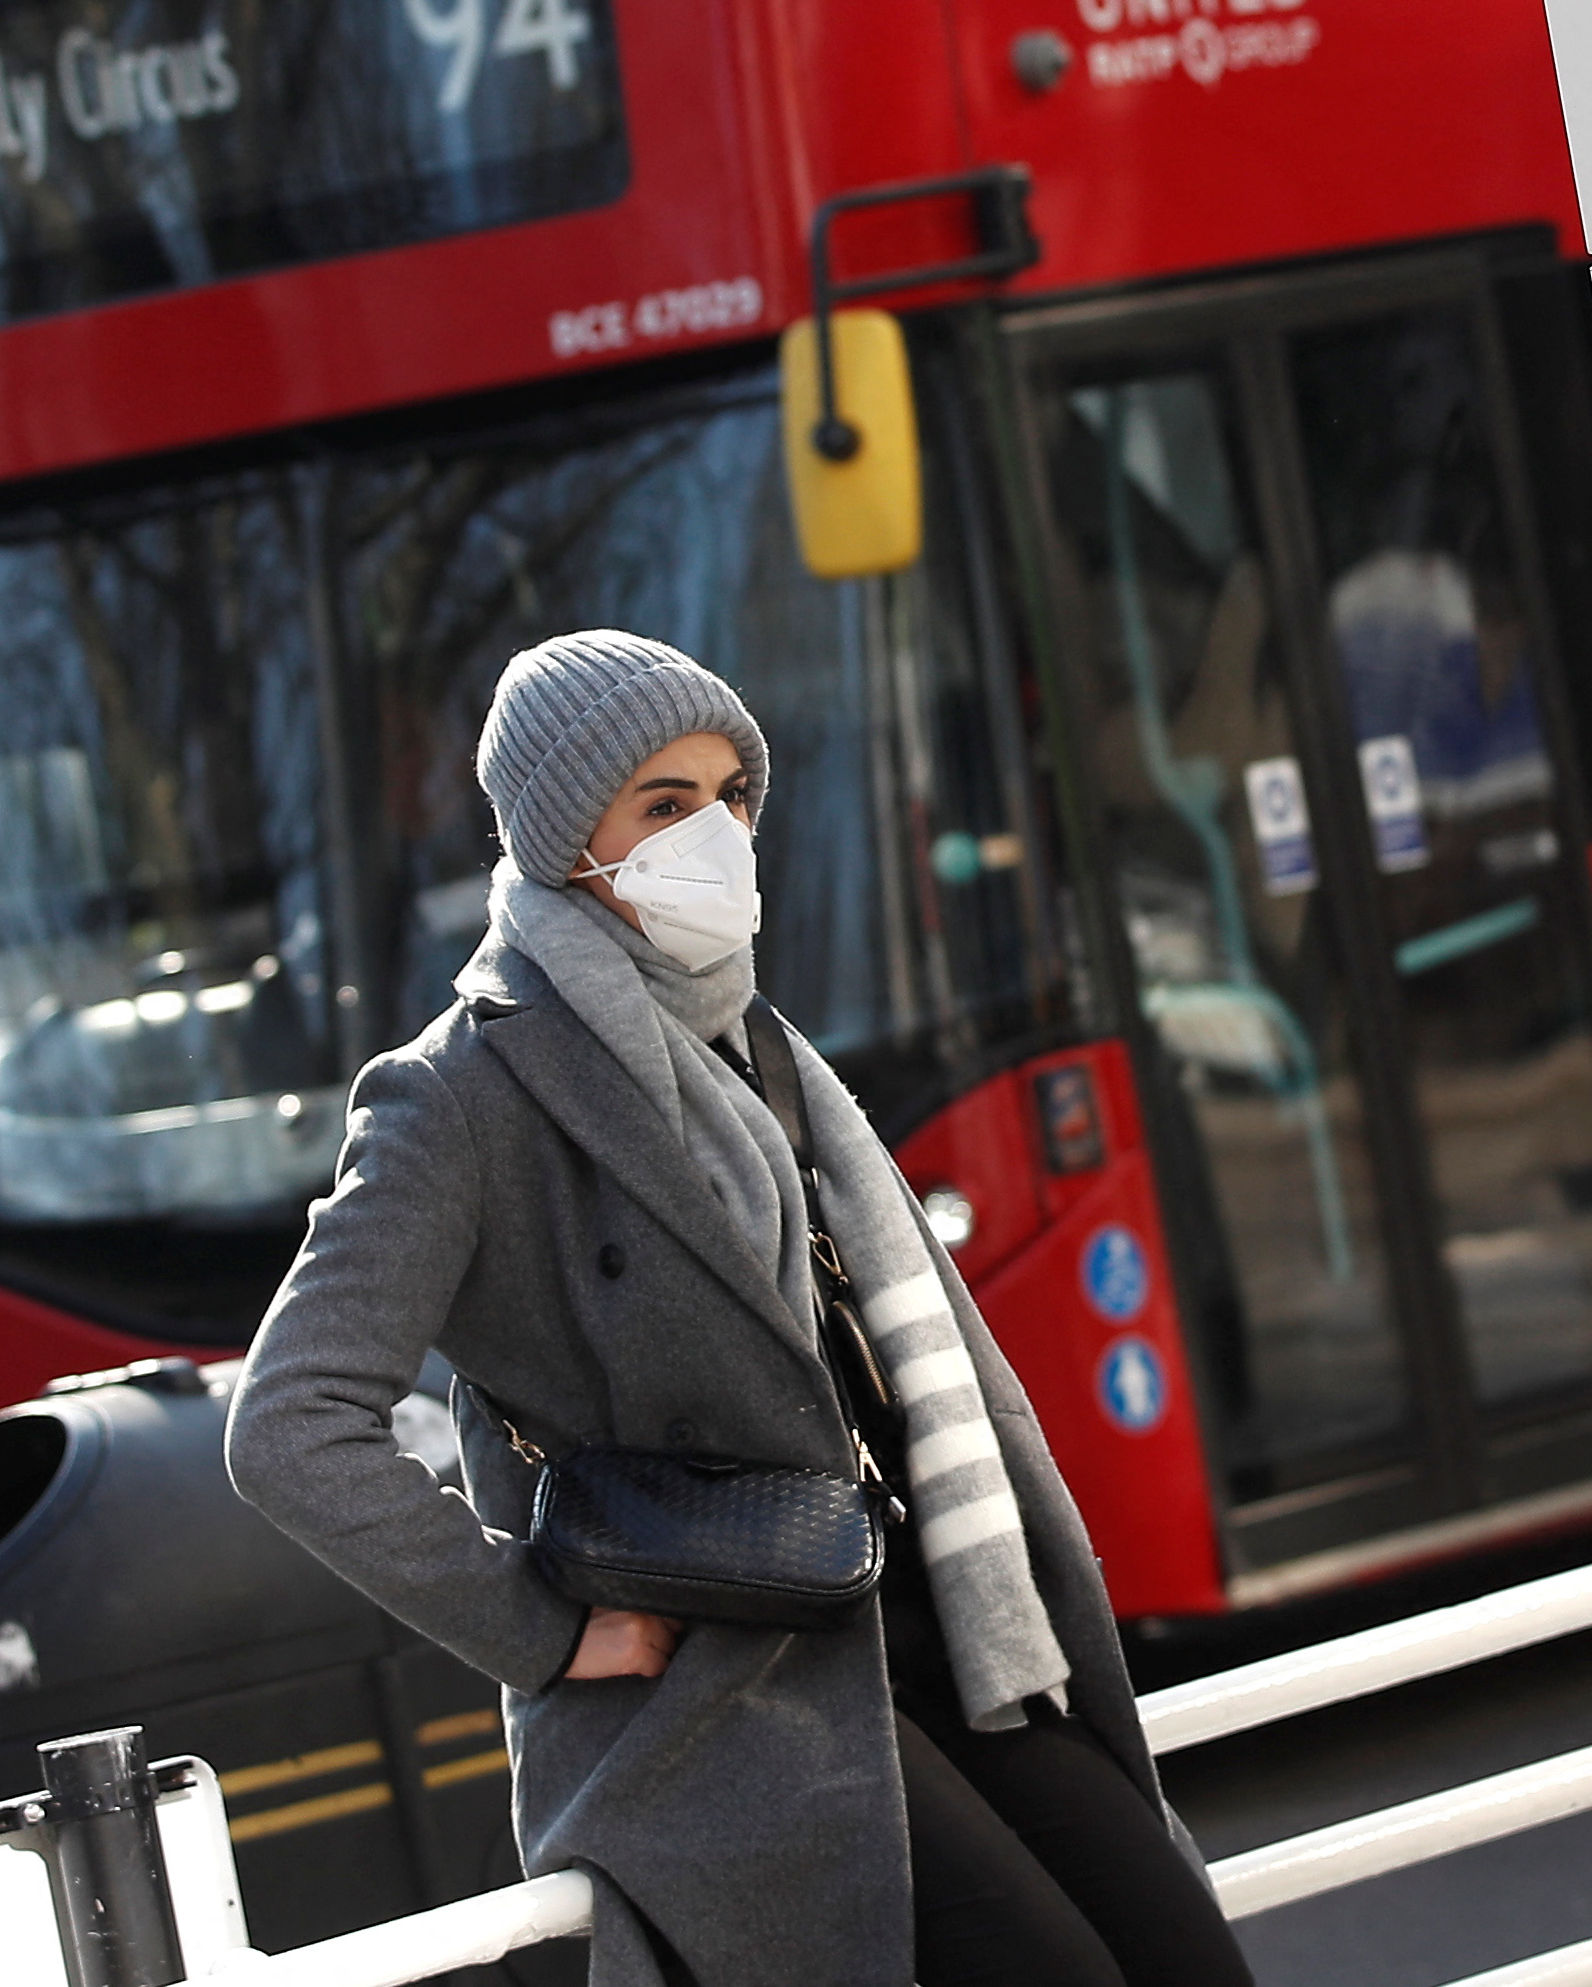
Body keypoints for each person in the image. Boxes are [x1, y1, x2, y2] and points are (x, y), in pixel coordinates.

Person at [227, 631, 1253, 1987]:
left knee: (1183, 1951)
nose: (712, 836)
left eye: (728, 796)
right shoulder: (457, 1095)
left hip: (940, 1615)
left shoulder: (755, 1044)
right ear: (559, 834)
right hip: (724, 1692)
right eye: (663, 805)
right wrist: (539, 1629)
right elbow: (289, 1423)